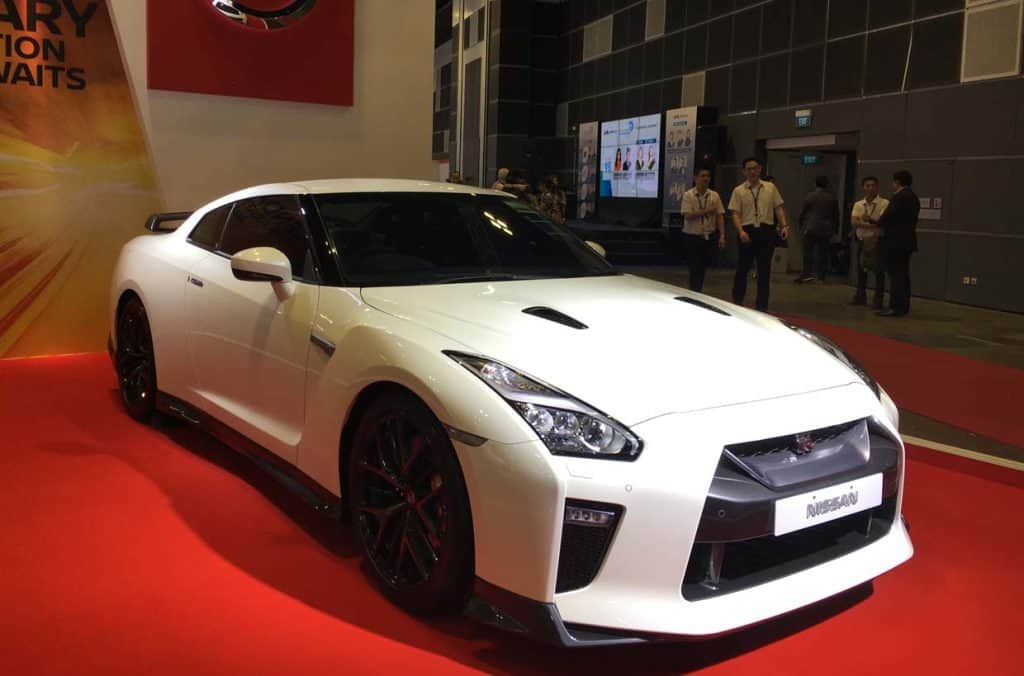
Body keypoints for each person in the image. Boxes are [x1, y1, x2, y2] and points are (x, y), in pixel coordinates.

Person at [728, 157, 790, 311]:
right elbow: (735, 213)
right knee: (742, 268)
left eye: (755, 168)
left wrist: (784, 225)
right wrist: (740, 231)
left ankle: (762, 306)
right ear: (744, 172)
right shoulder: (738, 190)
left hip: (766, 231)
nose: (752, 171)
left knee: (764, 270)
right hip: (747, 231)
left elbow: (778, 208)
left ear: (760, 169)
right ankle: (737, 302)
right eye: (749, 169)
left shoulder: (770, 187)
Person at [876, 170, 919, 317]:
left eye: (893, 182)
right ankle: (903, 306)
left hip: (895, 242)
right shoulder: (913, 197)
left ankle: (895, 307)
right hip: (907, 241)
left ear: (898, 182)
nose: (892, 185)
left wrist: (875, 221)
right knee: (903, 275)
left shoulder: (900, 197)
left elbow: (887, 218)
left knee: (896, 275)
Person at [681, 166, 726, 293]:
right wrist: (706, 211)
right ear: (695, 178)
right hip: (692, 237)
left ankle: (697, 291)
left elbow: (720, 216)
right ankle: (694, 292)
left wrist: (722, 235)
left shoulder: (714, 195)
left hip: (708, 236)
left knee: (703, 268)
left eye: (708, 176)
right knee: (694, 268)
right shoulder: (688, 195)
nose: (706, 179)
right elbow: (687, 215)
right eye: (703, 176)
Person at [850, 176, 890, 308]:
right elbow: (854, 222)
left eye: (873, 185)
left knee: (879, 271)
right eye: (867, 185)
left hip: (877, 241)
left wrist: (866, 222)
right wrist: (870, 224)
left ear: (877, 187)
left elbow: (882, 223)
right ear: (863, 187)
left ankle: (878, 300)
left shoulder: (884, 203)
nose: (870, 188)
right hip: (862, 240)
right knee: (861, 269)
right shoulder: (859, 204)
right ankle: (860, 296)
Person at [796, 176, 840, 283]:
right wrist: (835, 229)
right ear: (827, 185)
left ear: (815, 184)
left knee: (808, 252)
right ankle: (821, 276)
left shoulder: (810, 196)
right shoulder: (832, 198)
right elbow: (836, 215)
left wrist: (801, 224)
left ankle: (807, 274)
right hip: (826, 229)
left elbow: (803, 212)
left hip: (811, 227)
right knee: (823, 253)